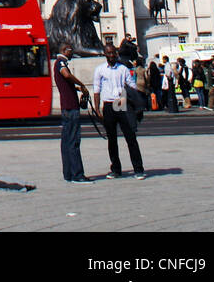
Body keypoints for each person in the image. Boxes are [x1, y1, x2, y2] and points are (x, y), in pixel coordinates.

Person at [93, 44, 146, 179]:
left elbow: (132, 85)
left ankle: (138, 169)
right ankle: (116, 169)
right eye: (109, 53)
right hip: (108, 104)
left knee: (130, 137)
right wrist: (97, 108)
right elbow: (97, 90)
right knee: (112, 139)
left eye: (113, 53)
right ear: (105, 54)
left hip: (121, 101)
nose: (112, 55)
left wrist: (136, 100)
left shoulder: (123, 69)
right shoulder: (100, 70)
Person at [53, 42, 91, 183]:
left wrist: (77, 89)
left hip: (67, 106)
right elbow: (66, 75)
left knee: (66, 141)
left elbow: (66, 82)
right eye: (71, 50)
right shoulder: (61, 63)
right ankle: (77, 174)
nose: (72, 52)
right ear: (64, 50)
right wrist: (81, 84)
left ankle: (68, 173)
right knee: (73, 141)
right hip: (70, 107)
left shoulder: (59, 63)